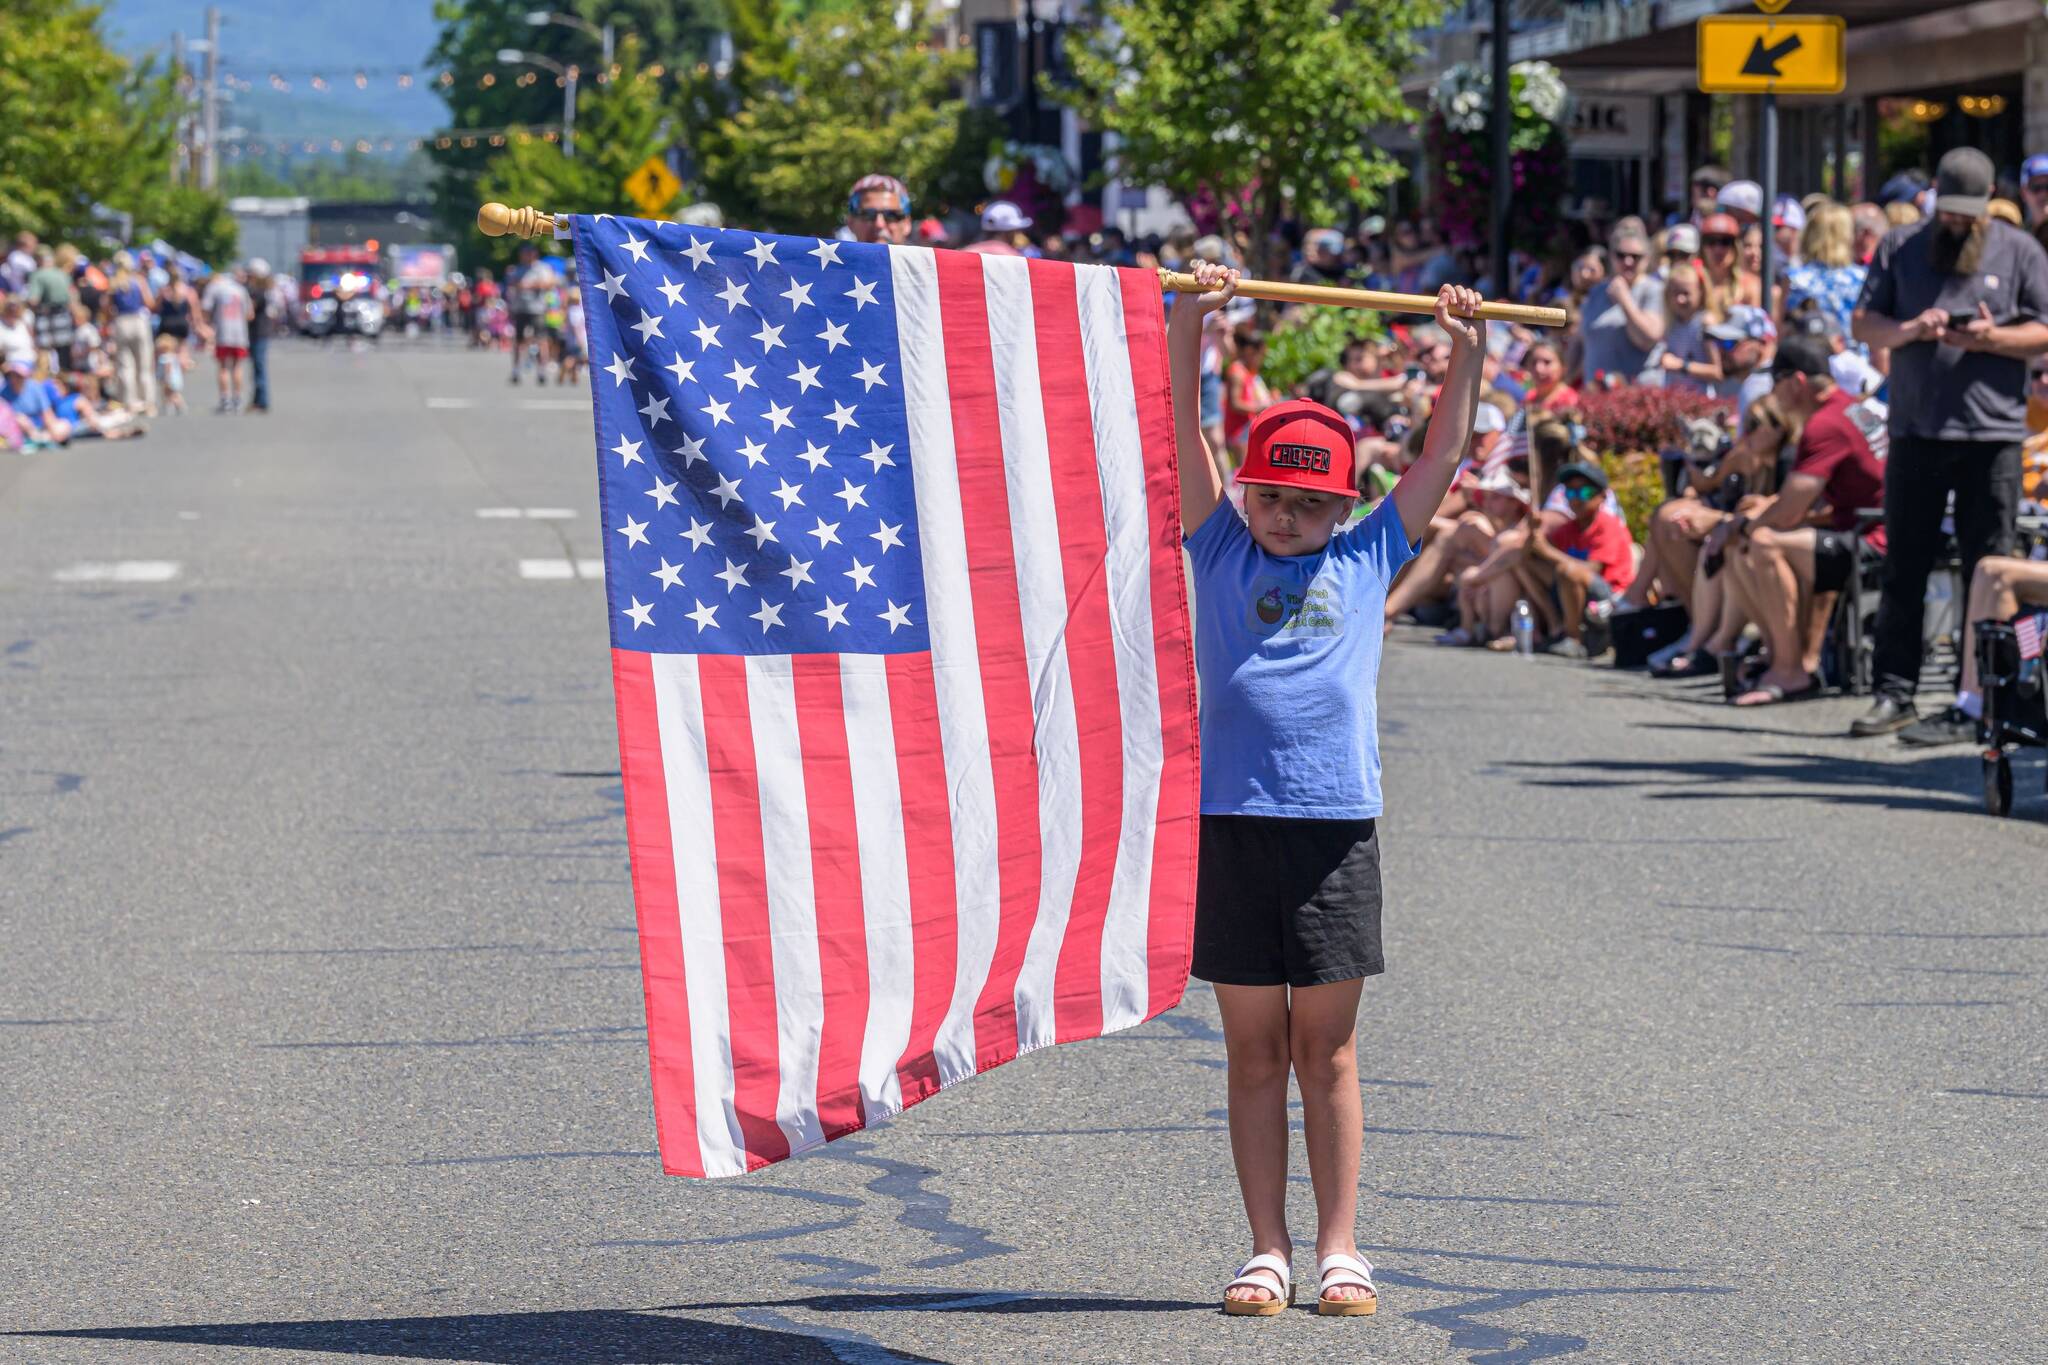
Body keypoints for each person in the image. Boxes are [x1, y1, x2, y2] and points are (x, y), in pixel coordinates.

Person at [1170, 255, 1484, 1318]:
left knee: (1328, 1048)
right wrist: (1191, 326)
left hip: (1332, 828)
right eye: (1271, 496)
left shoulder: (1363, 557)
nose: (1285, 517)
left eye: (1308, 501)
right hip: (1233, 827)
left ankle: (1341, 1248)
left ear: (1338, 503)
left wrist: (1465, 349)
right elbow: (1186, 438)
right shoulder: (1218, 549)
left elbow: (1442, 450)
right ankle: (1265, 1249)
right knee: (1252, 1048)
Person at [1850, 146, 2048, 736]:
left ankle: (1986, 697)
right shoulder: (1901, 245)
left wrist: (1992, 337)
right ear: (1935, 195)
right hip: (1917, 430)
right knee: (1904, 566)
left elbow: (2044, 329)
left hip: (1992, 435)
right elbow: (1863, 322)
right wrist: (1911, 329)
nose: (1958, 222)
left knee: (1990, 570)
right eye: (1950, 210)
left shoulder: (2020, 251)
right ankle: (1895, 691)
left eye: (1969, 212)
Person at [1710, 337, 1887, 706]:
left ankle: (1790, 672)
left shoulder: (1825, 424)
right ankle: (1780, 659)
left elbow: (1789, 513)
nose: (1773, 396)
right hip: (1873, 528)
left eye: (1776, 384)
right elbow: (1813, 497)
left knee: (1763, 541)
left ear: (1797, 382)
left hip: (1874, 542)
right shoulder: (1851, 408)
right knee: (1752, 536)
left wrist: (1741, 524)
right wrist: (1764, 510)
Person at [1577, 219, 1664, 388]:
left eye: (1635, 257)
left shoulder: (1653, 290)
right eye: (1621, 255)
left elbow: (1648, 338)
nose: (1628, 262)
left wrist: (1625, 300)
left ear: (1646, 259)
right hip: (1596, 393)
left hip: (1636, 395)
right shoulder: (1597, 291)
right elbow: (1583, 341)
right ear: (1611, 256)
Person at [1780, 201, 1867, 347]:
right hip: (1855, 363)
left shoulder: (1795, 280)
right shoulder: (1863, 278)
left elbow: (1781, 332)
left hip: (1809, 363)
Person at [1656, 262, 1719, 394]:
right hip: (1674, 399)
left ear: (1700, 292)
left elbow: (1717, 372)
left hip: (1700, 401)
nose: (1680, 299)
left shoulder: (1705, 323)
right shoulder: (1671, 323)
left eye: (1686, 293)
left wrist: (1681, 366)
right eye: (1675, 293)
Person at [107, 251, 156, 415]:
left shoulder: (114, 283)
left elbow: (107, 308)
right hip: (138, 320)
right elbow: (149, 302)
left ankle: (129, 402)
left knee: (125, 365)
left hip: (121, 321)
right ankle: (148, 401)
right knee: (144, 364)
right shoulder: (139, 280)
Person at [1698, 212, 1759, 320]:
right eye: (1711, 241)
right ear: (1702, 247)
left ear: (1735, 247)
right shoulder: (1694, 283)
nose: (1718, 249)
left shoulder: (1750, 286)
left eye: (1725, 242)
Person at [845, 173, 914, 246]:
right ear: (850, 222)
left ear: (907, 224)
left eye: (891, 215)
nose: (879, 224)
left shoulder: (923, 257)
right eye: (867, 214)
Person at [246, 259, 278, 413]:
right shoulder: (265, 290)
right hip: (262, 331)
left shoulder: (256, 291)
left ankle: (261, 401)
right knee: (258, 366)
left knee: (258, 367)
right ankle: (258, 400)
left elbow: (249, 313)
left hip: (257, 332)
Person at [965, 201, 1033, 256]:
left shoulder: (967, 252)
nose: (1018, 233)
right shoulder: (1013, 257)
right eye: (1016, 230)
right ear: (1009, 231)